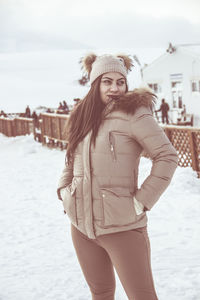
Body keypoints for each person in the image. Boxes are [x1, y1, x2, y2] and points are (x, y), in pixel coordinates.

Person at [57, 54, 178, 300]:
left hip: (122, 226)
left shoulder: (135, 114)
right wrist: (64, 189)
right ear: (95, 84)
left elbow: (167, 156)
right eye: (107, 81)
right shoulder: (82, 116)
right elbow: (71, 157)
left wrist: (142, 200)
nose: (115, 88)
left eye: (120, 82)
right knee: (100, 292)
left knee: (142, 296)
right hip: (81, 226)